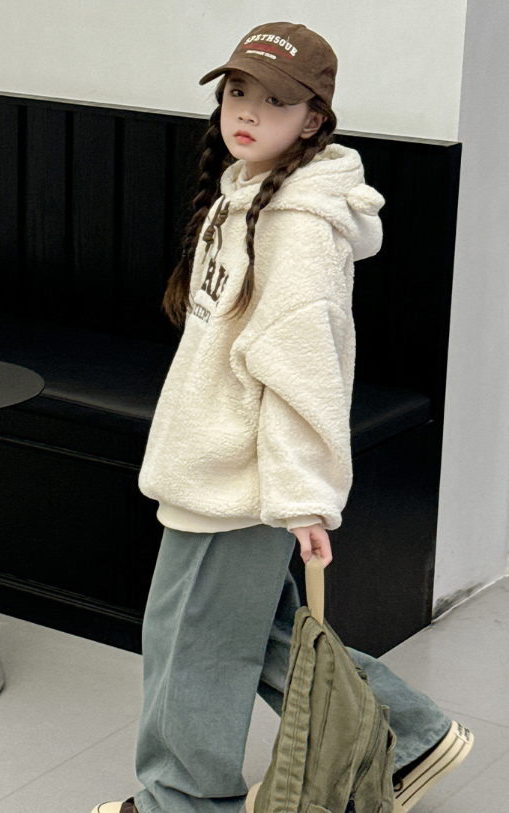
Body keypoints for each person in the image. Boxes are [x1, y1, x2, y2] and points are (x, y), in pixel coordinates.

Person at [91, 21, 473, 813]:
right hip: (219, 462)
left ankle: (183, 801)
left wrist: (302, 497)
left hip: (241, 477)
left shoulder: (295, 226)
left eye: (273, 100)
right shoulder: (244, 192)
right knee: (256, 635)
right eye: (237, 91)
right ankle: (410, 735)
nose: (246, 110)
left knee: (192, 642)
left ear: (311, 120)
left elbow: (306, 376)